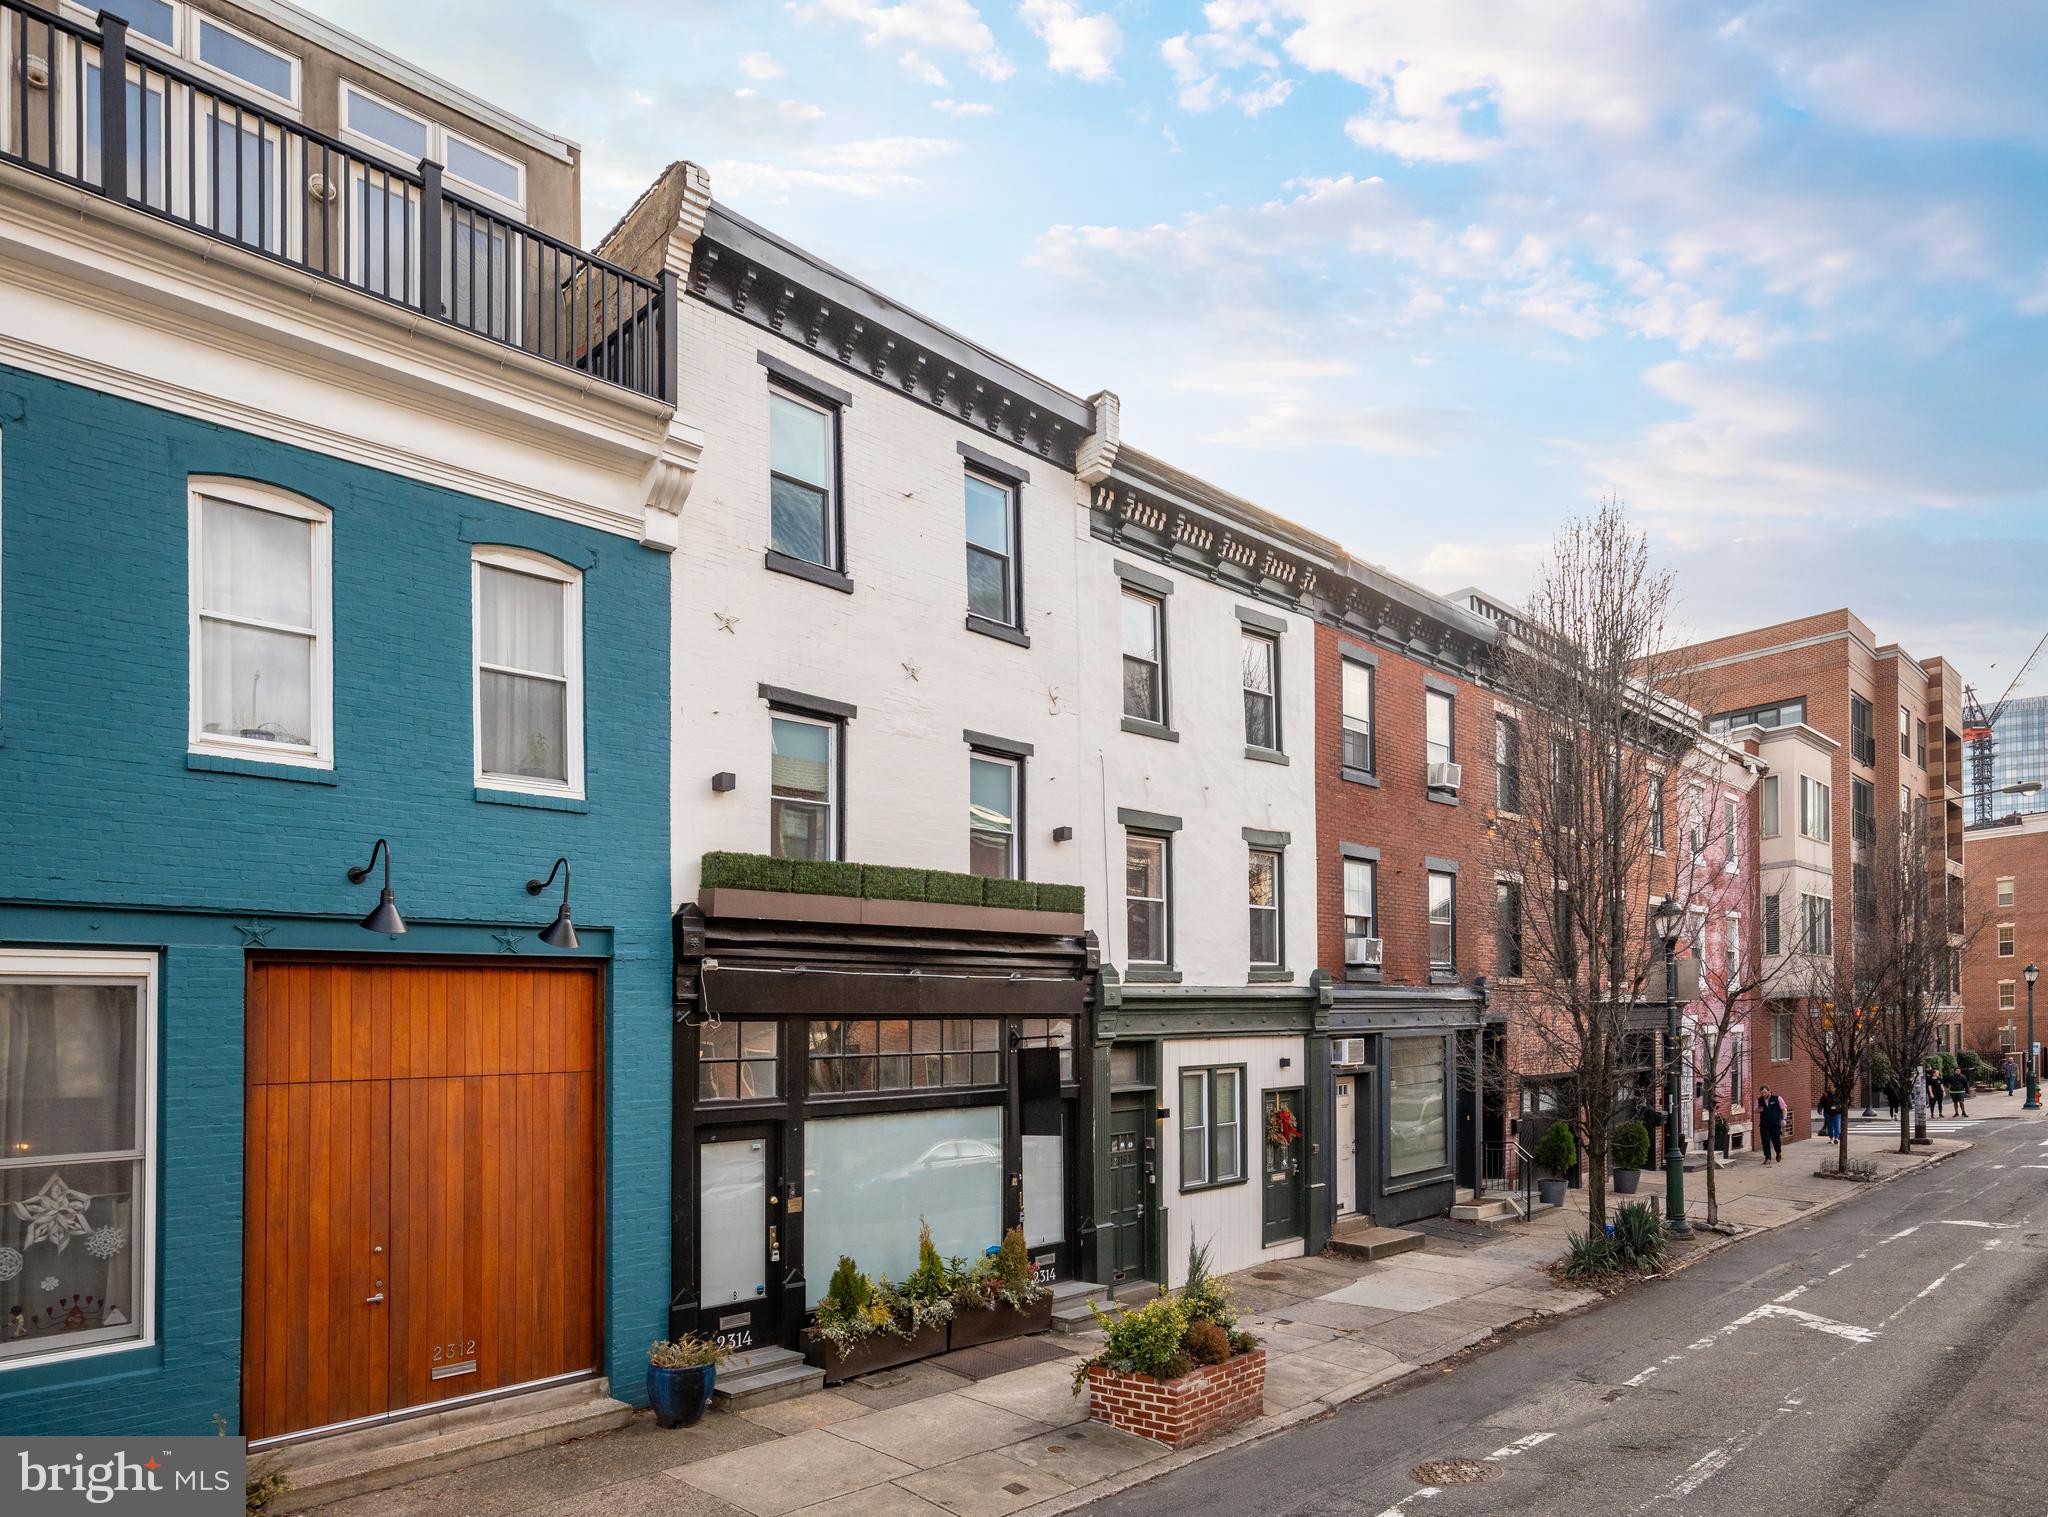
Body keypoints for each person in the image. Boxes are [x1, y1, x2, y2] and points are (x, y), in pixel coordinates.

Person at [1756, 1086, 1785, 1164]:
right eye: (1762, 1093)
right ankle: (1767, 1158)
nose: (1763, 1094)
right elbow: (1756, 1110)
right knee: (1765, 1141)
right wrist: (1758, 1110)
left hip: (1775, 1124)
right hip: (1764, 1124)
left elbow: (1784, 1109)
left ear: (1769, 1091)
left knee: (1776, 1141)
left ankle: (1778, 1152)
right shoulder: (1759, 1100)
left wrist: (1784, 1119)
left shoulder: (1777, 1098)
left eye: (1765, 1092)